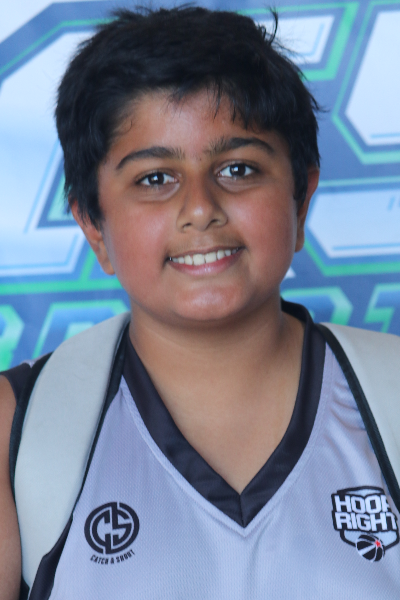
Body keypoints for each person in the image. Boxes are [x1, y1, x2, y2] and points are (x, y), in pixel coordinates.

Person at [0, 6, 399, 599]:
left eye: (238, 168)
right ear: (93, 226)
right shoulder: (15, 426)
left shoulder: (391, 398)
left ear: (301, 199)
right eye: (154, 178)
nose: (200, 208)